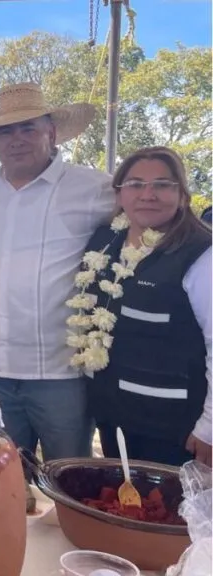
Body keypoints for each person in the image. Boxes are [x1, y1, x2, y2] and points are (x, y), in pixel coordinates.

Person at [0, 82, 116, 460]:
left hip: (63, 377)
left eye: (28, 127)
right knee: (2, 486)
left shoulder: (92, 187)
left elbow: (148, 218)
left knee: (71, 482)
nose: (17, 139)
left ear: (52, 132)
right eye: (6, 131)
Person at [70, 147, 211, 467]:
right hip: (114, 417)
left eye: (162, 184)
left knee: (170, 514)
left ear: (181, 194)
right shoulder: (104, 240)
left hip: (174, 427)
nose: (148, 194)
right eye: (135, 184)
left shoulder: (201, 253)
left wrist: (210, 428)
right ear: (119, 194)